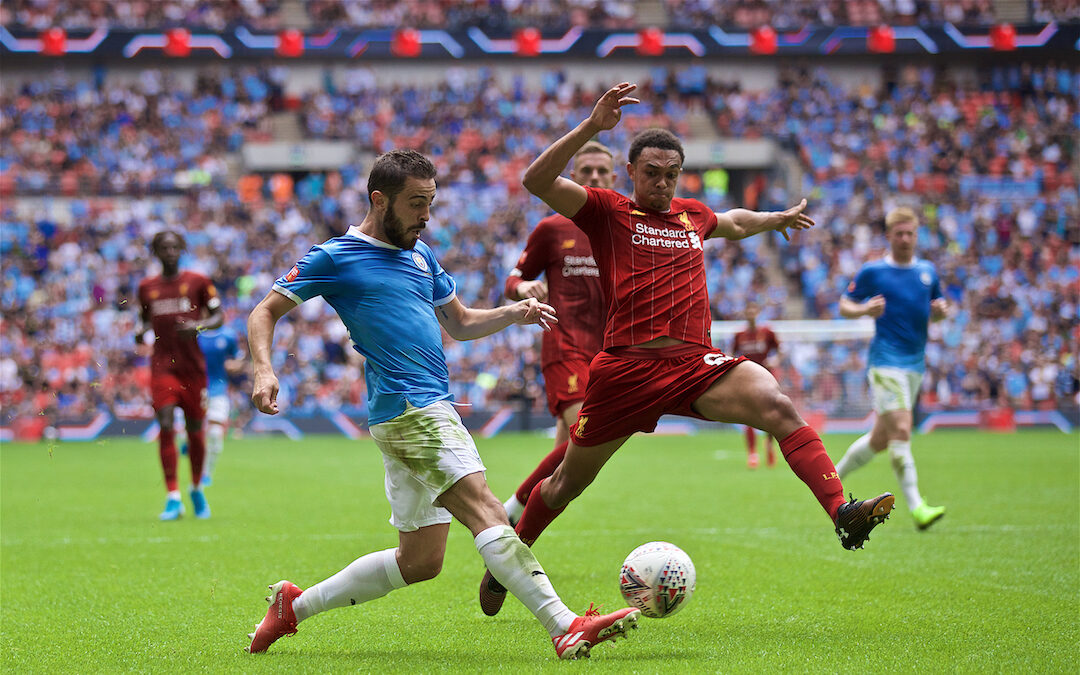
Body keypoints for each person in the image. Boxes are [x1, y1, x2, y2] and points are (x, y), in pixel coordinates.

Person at [480, 83, 895, 616]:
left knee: (777, 405)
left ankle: (843, 512)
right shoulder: (606, 211)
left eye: (671, 173)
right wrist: (590, 127)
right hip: (627, 370)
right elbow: (535, 180)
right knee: (563, 485)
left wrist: (776, 219)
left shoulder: (690, 215)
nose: (662, 181)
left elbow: (734, 222)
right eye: (652, 172)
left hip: (695, 366)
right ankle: (507, 562)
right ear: (632, 172)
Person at [244, 150, 640, 660]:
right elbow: (264, 311)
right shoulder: (336, 255)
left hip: (410, 411)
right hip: (414, 410)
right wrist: (263, 368)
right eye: (415, 204)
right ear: (378, 200)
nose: (425, 215)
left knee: (421, 561)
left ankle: (291, 609)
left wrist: (514, 312)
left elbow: (459, 323)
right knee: (487, 509)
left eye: (430, 203)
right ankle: (565, 627)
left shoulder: (420, 254)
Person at [500, 141, 613, 526]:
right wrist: (522, 289)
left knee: (569, 464)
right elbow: (513, 278)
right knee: (582, 438)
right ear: (573, 177)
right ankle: (506, 515)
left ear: (615, 178)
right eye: (587, 171)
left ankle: (521, 536)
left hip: (608, 355)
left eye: (602, 171)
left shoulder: (622, 227)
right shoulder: (552, 229)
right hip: (564, 344)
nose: (595, 177)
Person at [836, 207, 948, 530]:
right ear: (888, 236)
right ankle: (918, 507)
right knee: (902, 429)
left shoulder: (927, 272)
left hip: (915, 364)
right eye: (898, 233)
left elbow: (936, 311)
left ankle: (833, 477)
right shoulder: (874, 271)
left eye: (910, 233)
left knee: (880, 439)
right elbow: (844, 304)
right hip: (885, 362)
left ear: (917, 235)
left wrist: (940, 313)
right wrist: (863, 309)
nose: (904, 239)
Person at [136, 230, 223, 520]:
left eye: (174, 247)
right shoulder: (147, 287)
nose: (170, 251)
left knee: (195, 429)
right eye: (164, 247)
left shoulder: (198, 282)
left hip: (192, 369)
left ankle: (196, 488)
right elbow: (144, 320)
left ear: (182, 249)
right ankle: (173, 497)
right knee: (164, 421)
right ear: (156, 252)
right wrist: (140, 332)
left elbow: (219, 316)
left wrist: (199, 325)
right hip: (163, 367)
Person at [731, 301, 780, 469]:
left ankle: (768, 443)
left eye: (753, 309)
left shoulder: (767, 332)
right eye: (748, 310)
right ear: (745, 313)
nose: (751, 313)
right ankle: (752, 453)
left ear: (758, 312)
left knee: (771, 414)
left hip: (767, 378)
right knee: (748, 415)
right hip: (747, 379)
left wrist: (776, 359)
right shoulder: (740, 335)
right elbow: (732, 354)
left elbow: (779, 349)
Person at [195, 322, 245, 486]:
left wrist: (235, 365)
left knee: (215, 434)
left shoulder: (228, 335)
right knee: (187, 432)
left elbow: (237, 360)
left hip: (218, 389)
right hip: (195, 389)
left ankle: (206, 473)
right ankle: (188, 448)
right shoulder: (194, 334)